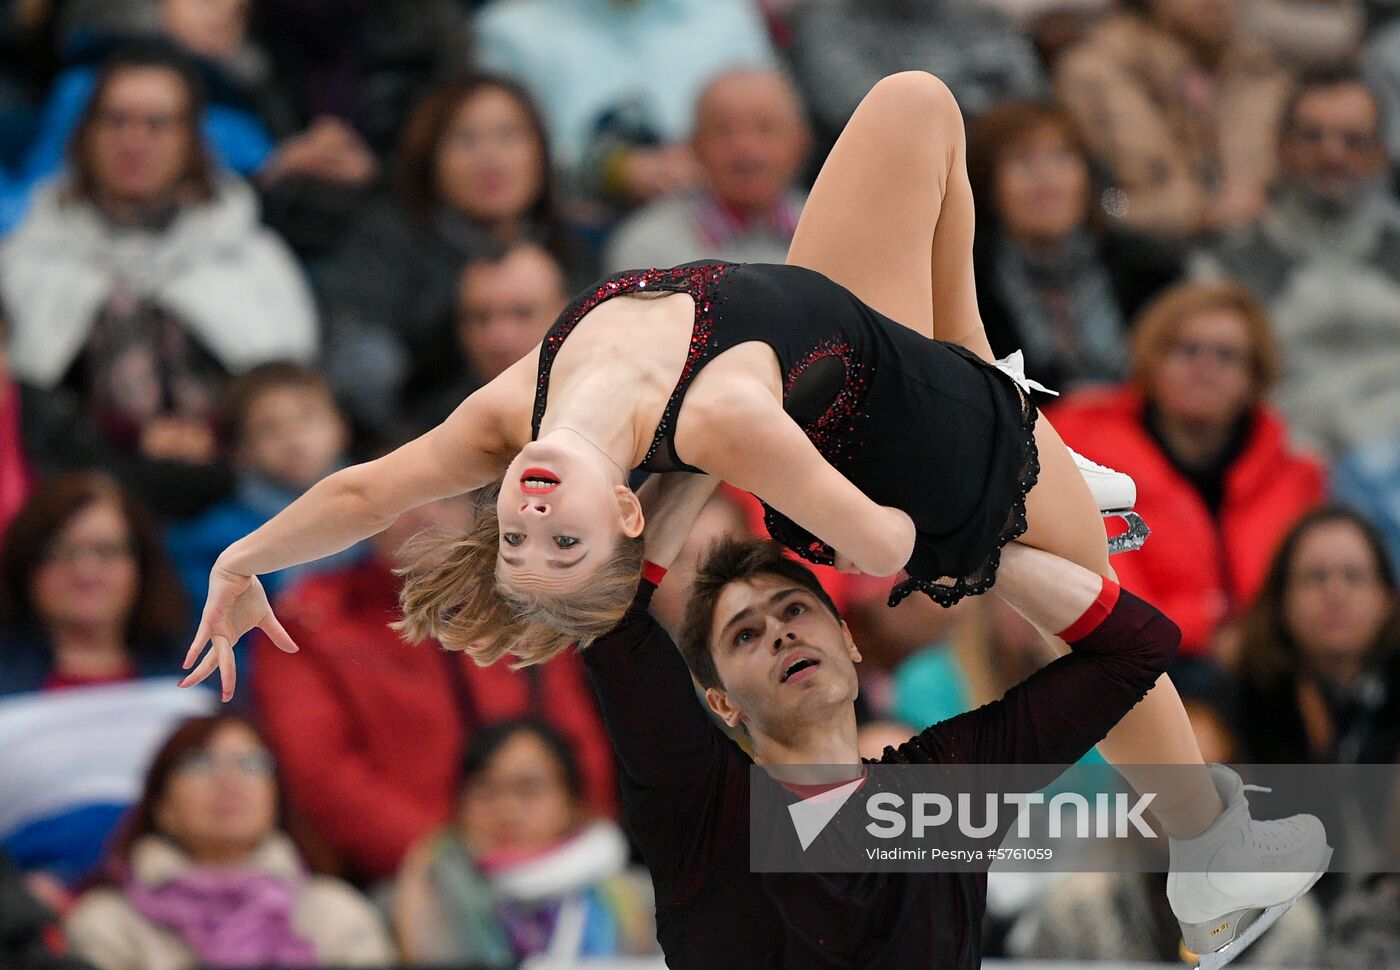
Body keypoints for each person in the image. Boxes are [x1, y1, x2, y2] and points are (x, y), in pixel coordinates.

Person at [182, 73, 1327, 963]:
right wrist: (985, 540)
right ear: (621, 512)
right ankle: (1207, 850)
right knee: (1105, 621)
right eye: (562, 541)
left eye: (518, 539)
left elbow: (359, 493)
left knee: (917, 107)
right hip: (935, 464)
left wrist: (243, 560)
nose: (527, 516)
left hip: (844, 343)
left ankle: (999, 385)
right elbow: (876, 544)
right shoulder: (725, 419)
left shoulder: (506, 416)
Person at [572, 471, 1322, 968]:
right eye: (744, 635)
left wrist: (980, 554)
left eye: (795, 609)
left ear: (850, 642)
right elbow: (608, 613)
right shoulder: (701, 807)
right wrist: (711, 446)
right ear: (720, 702)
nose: (779, 633)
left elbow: (1137, 648)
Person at [251, 496, 616, 884]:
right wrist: (450, 862)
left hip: (549, 863)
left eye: (448, 498)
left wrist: (563, 848)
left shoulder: (529, 606)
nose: (426, 514)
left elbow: (582, 754)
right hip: (400, 875)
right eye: (408, 496)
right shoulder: (312, 618)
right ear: (364, 509)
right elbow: (323, 775)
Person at [0, 47, 317, 468]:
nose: (134, 142)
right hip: (76, 478)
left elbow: (289, 392)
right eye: (116, 120)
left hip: (238, 478)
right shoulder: (28, 256)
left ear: (191, 138)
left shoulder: (248, 254)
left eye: (158, 124)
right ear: (86, 132)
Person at [1046, 282, 1325, 673]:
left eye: (1227, 355)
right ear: (1152, 361)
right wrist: (1209, 631)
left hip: (1272, 666)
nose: (1205, 368)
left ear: (1255, 377)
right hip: (1129, 660)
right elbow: (1097, 586)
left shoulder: (1296, 479)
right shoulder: (1080, 446)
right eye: (1187, 350)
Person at [317, 74, 575, 445]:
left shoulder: (569, 245)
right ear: (430, 157)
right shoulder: (384, 242)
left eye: (509, 136)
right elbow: (363, 370)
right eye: (465, 140)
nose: (491, 159)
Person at [0, 474, 213, 884]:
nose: (85, 570)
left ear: (141, 564)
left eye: (106, 550)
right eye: (60, 551)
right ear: (26, 566)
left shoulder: (198, 673)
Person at [64, 714, 395, 970]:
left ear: (276, 799)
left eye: (252, 763)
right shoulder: (109, 922)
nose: (229, 779)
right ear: (162, 807)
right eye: (200, 763)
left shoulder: (331, 912)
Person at [1193, 70, 1400, 458]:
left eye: (1353, 140)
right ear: (1279, 146)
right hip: (1289, 462)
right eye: (1312, 136)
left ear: (1380, 155)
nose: (1332, 155)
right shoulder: (1228, 266)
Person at [392, 719, 654, 965]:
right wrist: (418, 883)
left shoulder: (638, 899)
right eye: (485, 790)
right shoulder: (424, 890)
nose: (507, 810)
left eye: (529, 790)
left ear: (574, 803)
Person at [967, 99, 1182, 391]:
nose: (1045, 178)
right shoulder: (967, 282)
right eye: (1021, 159)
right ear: (988, 183)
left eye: (1061, 156)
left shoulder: (1150, 270)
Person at [473, 0, 776, 196]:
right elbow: (491, 152)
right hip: (567, 228)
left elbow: (779, 131)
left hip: (714, 213)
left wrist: (708, 158)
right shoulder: (512, 29)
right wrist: (613, 170)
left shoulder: (727, 16)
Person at [1054, 0, 1291, 240]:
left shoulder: (1255, 63)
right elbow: (1107, 205)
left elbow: (1285, 175)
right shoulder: (1094, 73)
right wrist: (1197, 212)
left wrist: (1248, 189)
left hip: (1258, 235)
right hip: (1145, 250)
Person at [164, 362, 365, 611]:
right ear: (241, 450)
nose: (293, 439)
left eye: (307, 417)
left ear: (341, 427)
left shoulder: (383, 515)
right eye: (269, 428)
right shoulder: (220, 544)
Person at [1233, 506, 1400, 766]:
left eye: (1354, 576)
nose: (1336, 594)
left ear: (1387, 598)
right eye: (1315, 577)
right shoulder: (1241, 700)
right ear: (1281, 600)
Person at [603, 67, 809, 273]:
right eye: (724, 130)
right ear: (695, 146)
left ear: (801, 142)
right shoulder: (648, 249)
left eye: (765, 128)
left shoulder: (823, 234)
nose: (745, 147)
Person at [403, 241, 570, 436]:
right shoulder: (431, 430)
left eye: (522, 313)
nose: (499, 338)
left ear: (567, 316)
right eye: (481, 318)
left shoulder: (595, 408)